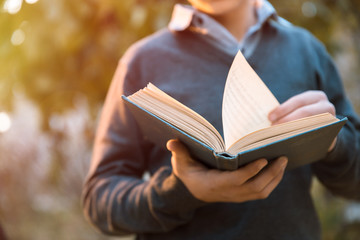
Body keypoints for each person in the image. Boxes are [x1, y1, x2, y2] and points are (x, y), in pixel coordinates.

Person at [82, 0, 360, 239]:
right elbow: (99, 200)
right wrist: (180, 193)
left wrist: (331, 140)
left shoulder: (307, 51)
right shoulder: (142, 61)